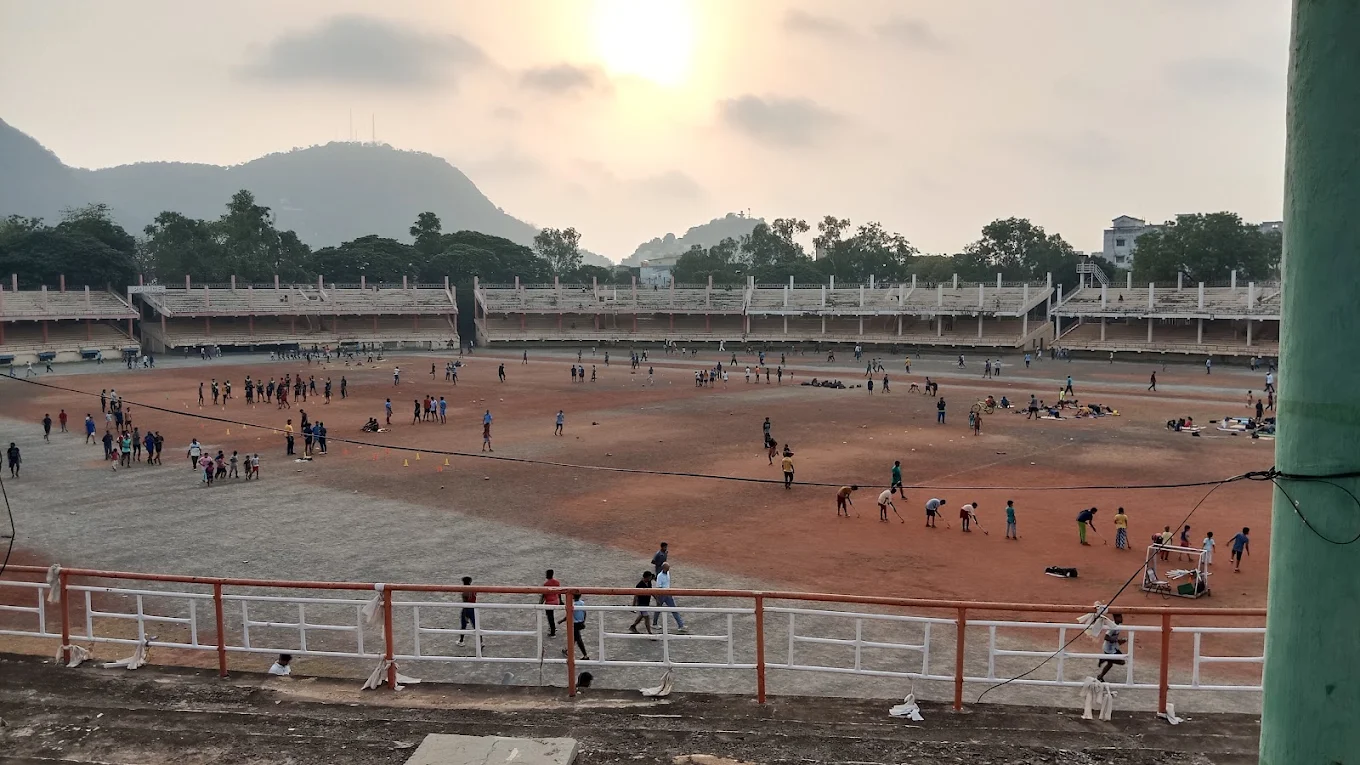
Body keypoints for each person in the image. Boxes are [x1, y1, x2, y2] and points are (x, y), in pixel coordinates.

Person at [651, 562, 686, 632]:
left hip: (668, 594)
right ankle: (654, 623)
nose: (667, 570)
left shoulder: (667, 573)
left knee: (673, 609)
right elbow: (658, 588)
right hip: (662, 595)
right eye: (667, 569)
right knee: (658, 610)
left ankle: (681, 625)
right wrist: (658, 599)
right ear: (663, 568)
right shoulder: (660, 576)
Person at [560, 592, 590, 660]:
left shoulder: (572, 605)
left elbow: (568, 615)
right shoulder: (582, 603)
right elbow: (584, 613)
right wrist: (583, 621)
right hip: (580, 622)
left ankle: (585, 655)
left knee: (578, 639)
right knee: (575, 638)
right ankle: (567, 650)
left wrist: (561, 620)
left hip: (575, 624)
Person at [1096, 614, 1126, 682]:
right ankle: (1104, 659)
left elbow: (1114, 638)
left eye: (1121, 617)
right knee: (1122, 661)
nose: (1121, 618)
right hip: (1109, 649)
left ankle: (1100, 676)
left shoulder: (1118, 625)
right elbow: (1106, 637)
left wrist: (1120, 641)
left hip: (1113, 648)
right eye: (1119, 617)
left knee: (1110, 664)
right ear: (1115, 618)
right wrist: (1116, 640)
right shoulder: (1112, 627)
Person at [458, 576, 480, 647]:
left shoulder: (465, 591)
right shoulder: (474, 589)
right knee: (475, 626)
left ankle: (461, 641)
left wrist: (464, 613)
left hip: (467, 609)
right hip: (473, 608)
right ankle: (481, 642)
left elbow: (465, 602)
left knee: (463, 626)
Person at [541, 570, 561, 637]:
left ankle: (553, 632)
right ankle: (553, 628)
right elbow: (559, 592)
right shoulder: (557, 582)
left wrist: (540, 603)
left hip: (549, 602)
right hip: (555, 601)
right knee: (551, 616)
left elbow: (544, 595)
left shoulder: (546, 584)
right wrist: (560, 601)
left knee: (550, 617)